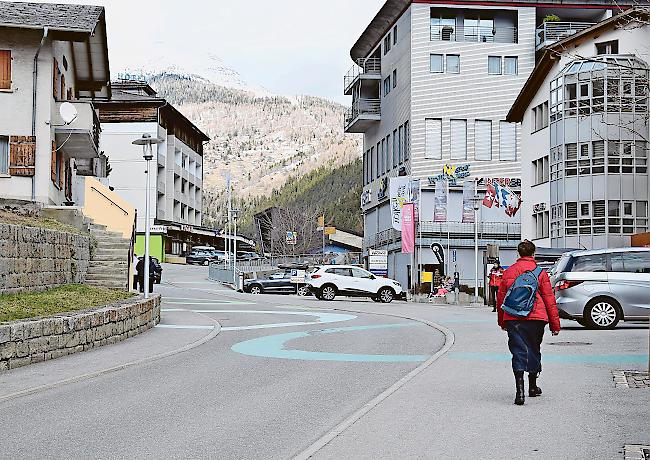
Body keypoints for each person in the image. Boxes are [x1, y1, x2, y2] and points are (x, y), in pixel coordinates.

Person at [497, 240, 560, 406]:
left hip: (513, 318)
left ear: (518, 254)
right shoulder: (540, 273)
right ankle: (533, 386)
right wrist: (555, 324)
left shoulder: (508, 271)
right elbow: (549, 299)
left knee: (518, 352)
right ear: (534, 254)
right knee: (534, 349)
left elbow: (501, 299)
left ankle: (520, 392)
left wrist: (502, 320)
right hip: (536, 318)